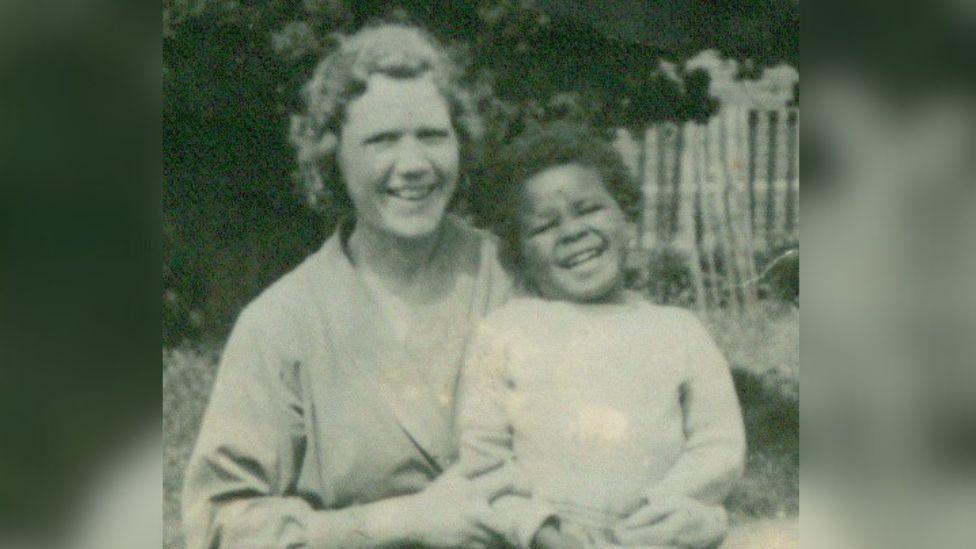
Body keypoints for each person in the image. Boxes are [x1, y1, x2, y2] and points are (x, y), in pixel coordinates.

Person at [182, 22, 525, 549]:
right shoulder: (281, 323)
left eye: (432, 135)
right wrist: (398, 523)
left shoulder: (517, 276)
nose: (412, 165)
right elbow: (218, 523)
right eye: (382, 140)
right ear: (333, 157)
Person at [458, 122, 747, 548]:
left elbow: (718, 443)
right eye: (543, 227)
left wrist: (665, 508)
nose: (573, 231)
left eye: (589, 209)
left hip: (659, 534)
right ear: (518, 253)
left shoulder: (678, 331)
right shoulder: (503, 333)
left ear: (626, 215)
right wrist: (538, 529)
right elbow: (483, 461)